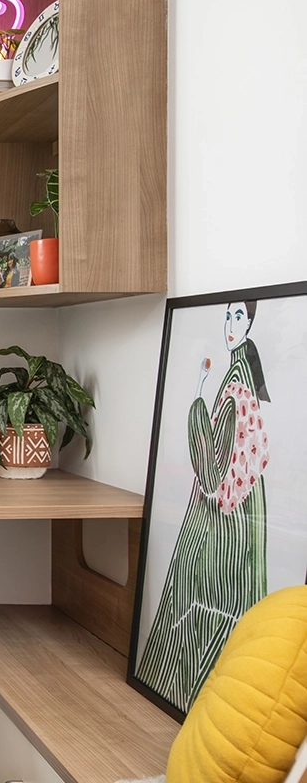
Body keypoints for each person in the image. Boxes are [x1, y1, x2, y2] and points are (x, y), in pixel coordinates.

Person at [136, 300, 270, 712]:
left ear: (250, 324)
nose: (230, 324)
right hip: (238, 521)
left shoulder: (234, 389)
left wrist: (196, 394)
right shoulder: (239, 379)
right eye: (227, 315)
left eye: (239, 317)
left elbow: (212, 476)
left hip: (223, 528)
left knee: (201, 601)